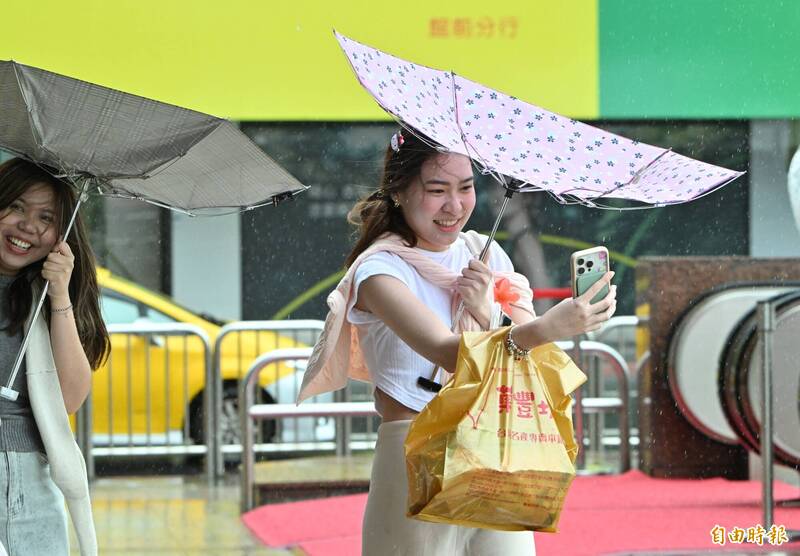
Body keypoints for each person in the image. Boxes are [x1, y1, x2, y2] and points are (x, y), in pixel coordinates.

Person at [298, 130, 616, 555]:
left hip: (496, 441)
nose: (455, 205)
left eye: (465, 187)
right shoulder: (377, 270)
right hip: (414, 446)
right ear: (399, 192)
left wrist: (489, 311)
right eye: (436, 190)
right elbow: (447, 350)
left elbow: (531, 354)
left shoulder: (484, 254)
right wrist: (548, 326)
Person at [0, 157, 109, 555]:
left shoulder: (46, 295)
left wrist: (60, 293)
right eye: (15, 207)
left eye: (46, 217)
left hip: (35, 485)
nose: (28, 226)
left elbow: (69, 398)